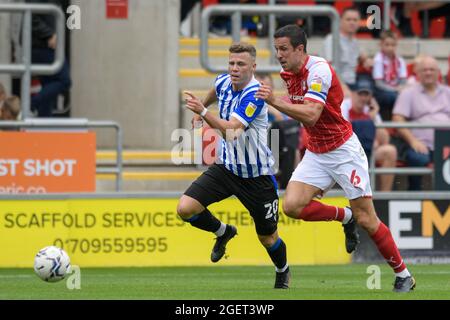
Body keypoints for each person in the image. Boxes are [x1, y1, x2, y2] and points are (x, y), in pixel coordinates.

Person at [256, 24, 415, 292]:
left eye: (284, 49)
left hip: (343, 151)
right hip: (317, 151)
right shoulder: (288, 72)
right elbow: (297, 107)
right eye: (276, 50)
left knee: (368, 219)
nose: (279, 55)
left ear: (300, 49)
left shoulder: (319, 70)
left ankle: (403, 275)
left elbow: (311, 114)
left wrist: (274, 101)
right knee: (292, 206)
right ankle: (345, 217)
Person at [177, 43, 291, 289]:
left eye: (241, 64)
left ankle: (282, 271)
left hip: (256, 176)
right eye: (231, 63)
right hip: (227, 168)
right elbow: (214, 91)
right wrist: (201, 111)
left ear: (253, 67)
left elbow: (231, 133)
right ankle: (223, 232)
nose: (235, 69)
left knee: (268, 238)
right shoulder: (223, 81)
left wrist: (203, 111)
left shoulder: (256, 95)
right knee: (185, 208)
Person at [392, 55, 450, 191]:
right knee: (417, 159)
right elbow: (397, 119)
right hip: (421, 145)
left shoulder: (448, 92)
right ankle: (415, 195)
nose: (428, 73)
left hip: (447, 144)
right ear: (417, 73)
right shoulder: (408, 93)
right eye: (424, 70)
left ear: (438, 73)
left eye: (432, 69)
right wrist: (413, 141)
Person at [340, 80, 397, 192]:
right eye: (360, 93)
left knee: (390, 151)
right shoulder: (344, 107)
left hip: (367, 151)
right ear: (353, 93)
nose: (363, 98)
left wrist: (373, 117)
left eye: (366, 94)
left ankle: (384, 196)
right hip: (346, 152)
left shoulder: (370, 110)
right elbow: (341, 135)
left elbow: (385, 140)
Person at [26, 0, 71, 117]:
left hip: (44, 45)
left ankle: (43, 124)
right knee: (64, 80)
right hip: (42, 45)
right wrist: (49, 34)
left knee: (48, 86)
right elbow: (31, 14)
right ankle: (29, 105)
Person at [322, 6, 372, 97]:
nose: (352, 22)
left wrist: (366, 60)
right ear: (340, 21)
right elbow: (330, 68)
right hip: (335, 85)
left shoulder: (354, 41)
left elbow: (363, 57)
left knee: (368, 84)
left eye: (355, 20)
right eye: (348, 19)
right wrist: (343, 87)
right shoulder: (332, 39)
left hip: (353, 83)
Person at [372, 30, 408, 121]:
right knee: (392, 96)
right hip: (381, 91)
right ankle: (391, 121)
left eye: (393, 45)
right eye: (387, 45)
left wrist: (401, 88)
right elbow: (378, 83)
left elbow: (403, 79)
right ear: (381, 45)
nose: (390, 48)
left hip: (396, 88)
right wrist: (395, 89)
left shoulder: (400, 60)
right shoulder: (378, 59)